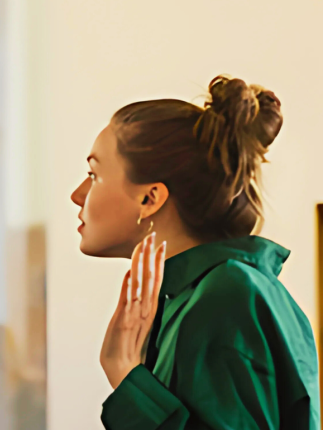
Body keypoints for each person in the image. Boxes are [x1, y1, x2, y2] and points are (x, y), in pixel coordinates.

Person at [71, 75, 320, 429]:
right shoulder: (200, 297)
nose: (77, 194)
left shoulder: (228, 296)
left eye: (93, 174)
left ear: (150, 198)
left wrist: (127, 378)